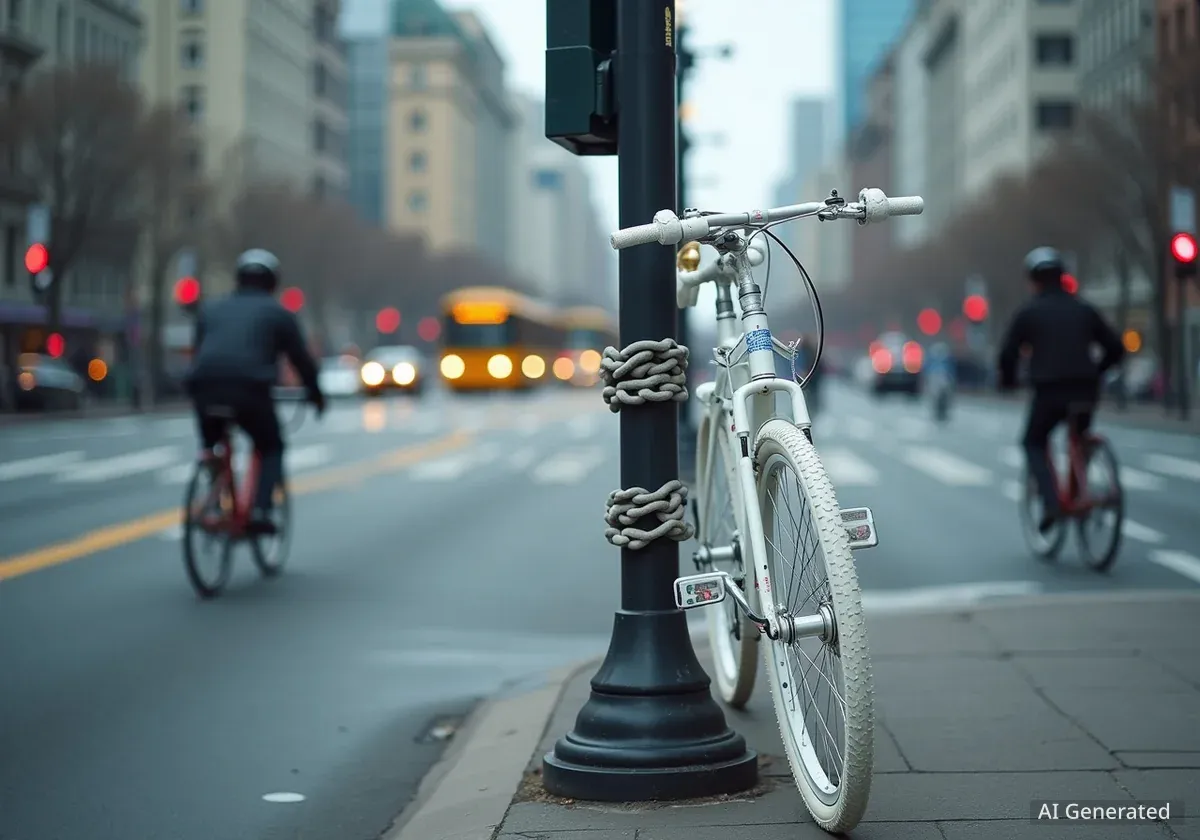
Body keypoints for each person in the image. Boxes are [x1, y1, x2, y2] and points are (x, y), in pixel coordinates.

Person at [184, 249, 325, 534]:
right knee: (272, 446)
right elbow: (300, 359)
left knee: (213, 445)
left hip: (203, 388)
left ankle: (213, 495)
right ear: (273, 282)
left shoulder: (210, 309)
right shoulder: (279, 314)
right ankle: (261, 510)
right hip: (249, 389)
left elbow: (200, 351)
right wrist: (315, 393)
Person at [997, 247, 1125, 533]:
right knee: (1079, 440)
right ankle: (1079, 494)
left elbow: (1008, 354)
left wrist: (1008, 381)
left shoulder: (1029, 313)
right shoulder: (1084, 309)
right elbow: (1116, 348)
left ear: (1033, 281)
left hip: (1049, 391)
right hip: (1086, 389)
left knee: (1033, 442)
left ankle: (1052, 502)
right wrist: (1098, 371)